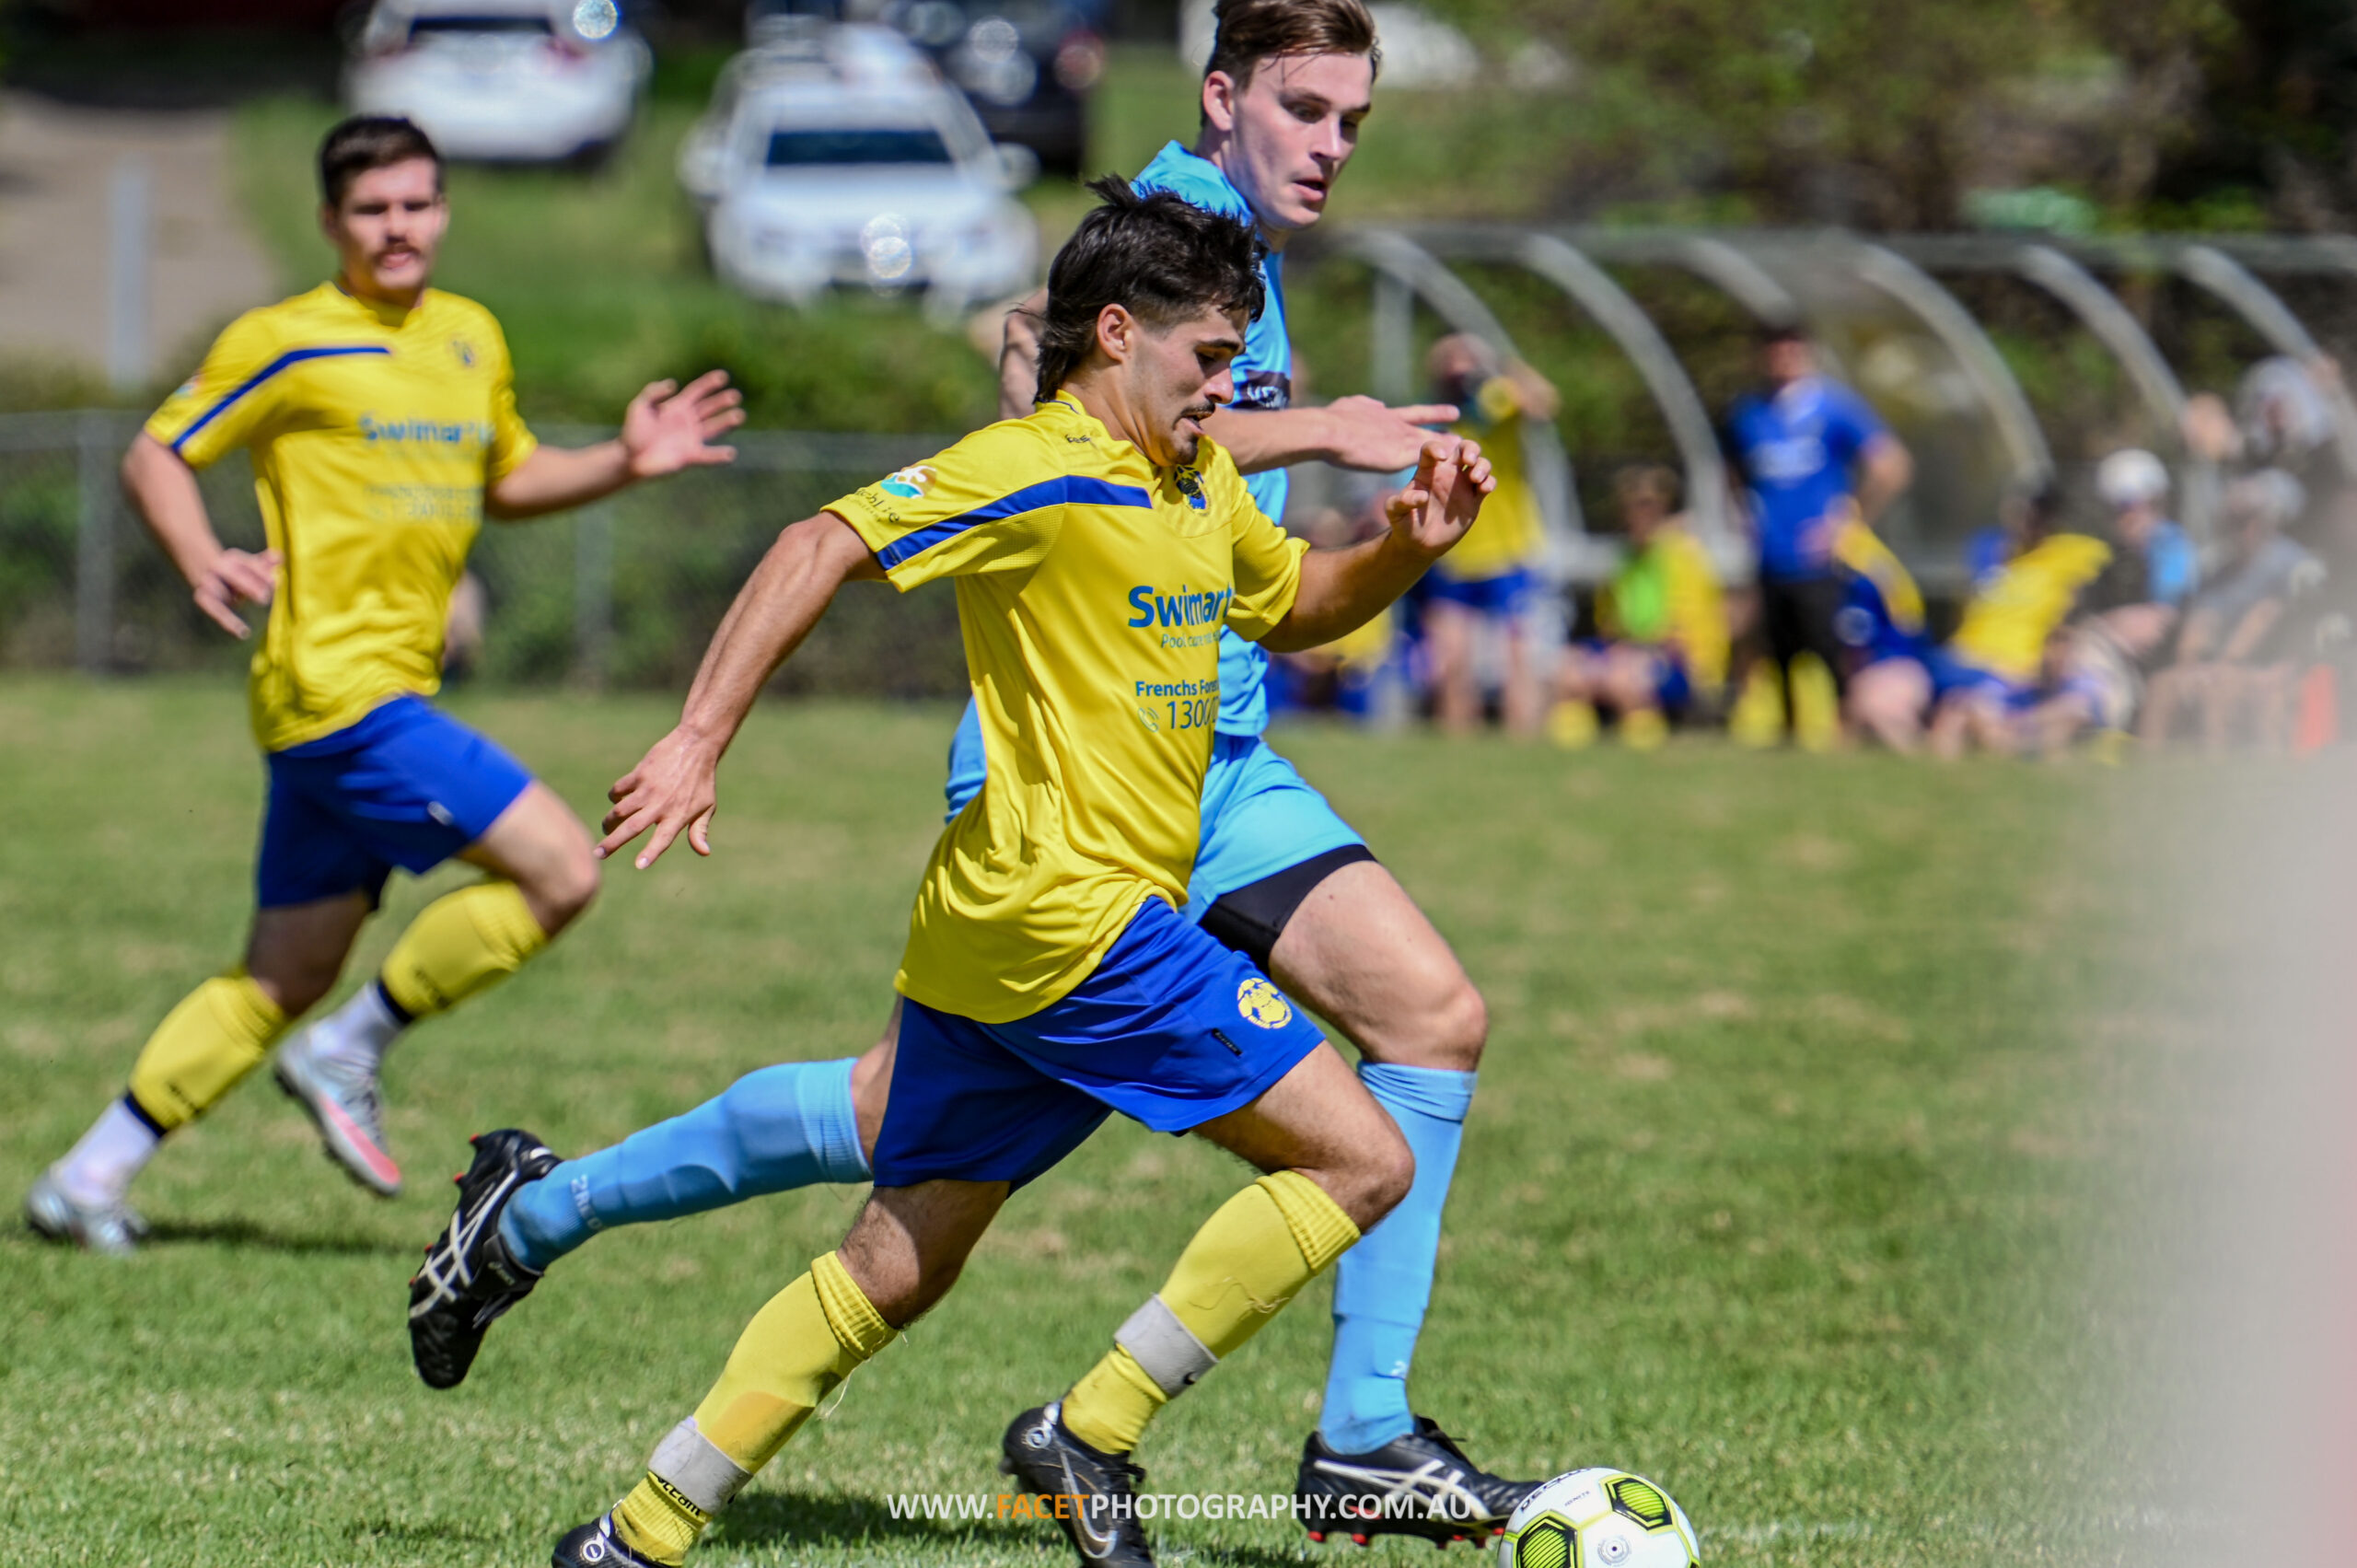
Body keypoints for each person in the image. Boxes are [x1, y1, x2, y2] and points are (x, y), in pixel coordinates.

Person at [405, 0, 1538, 1547]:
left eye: (1358, 118)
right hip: (1069, 888)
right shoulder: (1116, 340)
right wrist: (692, 736)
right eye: (1310, 109)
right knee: (1357, 1151)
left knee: (903, 1244)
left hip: (1102, 846)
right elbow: (880, 493)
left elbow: (1296, 602)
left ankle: (638, 1519)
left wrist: (1404, 546)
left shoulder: (1191, 456)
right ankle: (1095, 1429)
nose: (1228, 386)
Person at [21, 117, 743, 1253]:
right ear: (331, 223)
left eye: (416, 203)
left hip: (367, 703)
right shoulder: (286, 340)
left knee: (278, 974)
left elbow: (504, 476)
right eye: (372, 209)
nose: (397, 226)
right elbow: (155, 451)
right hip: (340, 695)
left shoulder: (469, 336)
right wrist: (202, 554)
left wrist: (621, 458)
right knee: (561, 868)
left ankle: (86, 1175)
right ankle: (354, 1043)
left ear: (443, 209)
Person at [1723, 323, 1912, 742]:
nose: (1782, 360)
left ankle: (1845, 733)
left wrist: (1848, 521)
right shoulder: (1749, 412)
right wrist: (1744, 517)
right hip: (1771, 553)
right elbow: (1732, 473)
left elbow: (1891, 464)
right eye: (1774, 351)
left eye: (1791, 351)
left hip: (1819, 558)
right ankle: (1789, 738)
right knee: (1777, 652)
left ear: (1806, 354)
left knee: (1830, 649)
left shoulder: (1833, 407)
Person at [1417, 332, 1560, 734]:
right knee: (1450, 658)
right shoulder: (1436, 415)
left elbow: (1545, 401)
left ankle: (1521, 742)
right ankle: (1458, 746)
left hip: (1508, 551)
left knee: (1517, 656)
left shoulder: (1496, 401)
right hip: (1452, 551)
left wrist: (1500, 364)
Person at [2140, 470, 2324, 750]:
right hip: (2228, 664)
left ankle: (2216, 768)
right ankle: (2147, 766)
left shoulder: (2291, 563)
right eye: (2234, 521)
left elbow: (2269, 614)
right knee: (2161, 686)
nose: (2241, 529)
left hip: (2278, 663)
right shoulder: (2219, 572)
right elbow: (2201, 621)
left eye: (2248, 519)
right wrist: (2189, 665)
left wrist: (2224, 664)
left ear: (2266, 520)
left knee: (2221, 685)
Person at [1550, 464, 1727, 749]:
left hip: (1679, 663)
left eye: (1647, 507)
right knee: (1569, 666)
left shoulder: (1682, 557)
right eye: (1631, 508)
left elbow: (1682, 634)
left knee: (1625, 673)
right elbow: (1608, 624)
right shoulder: (1624, 560)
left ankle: (1643, 736)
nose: (1639, 516)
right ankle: (1570, 748)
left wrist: (1632, 646)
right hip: (1631, 649)